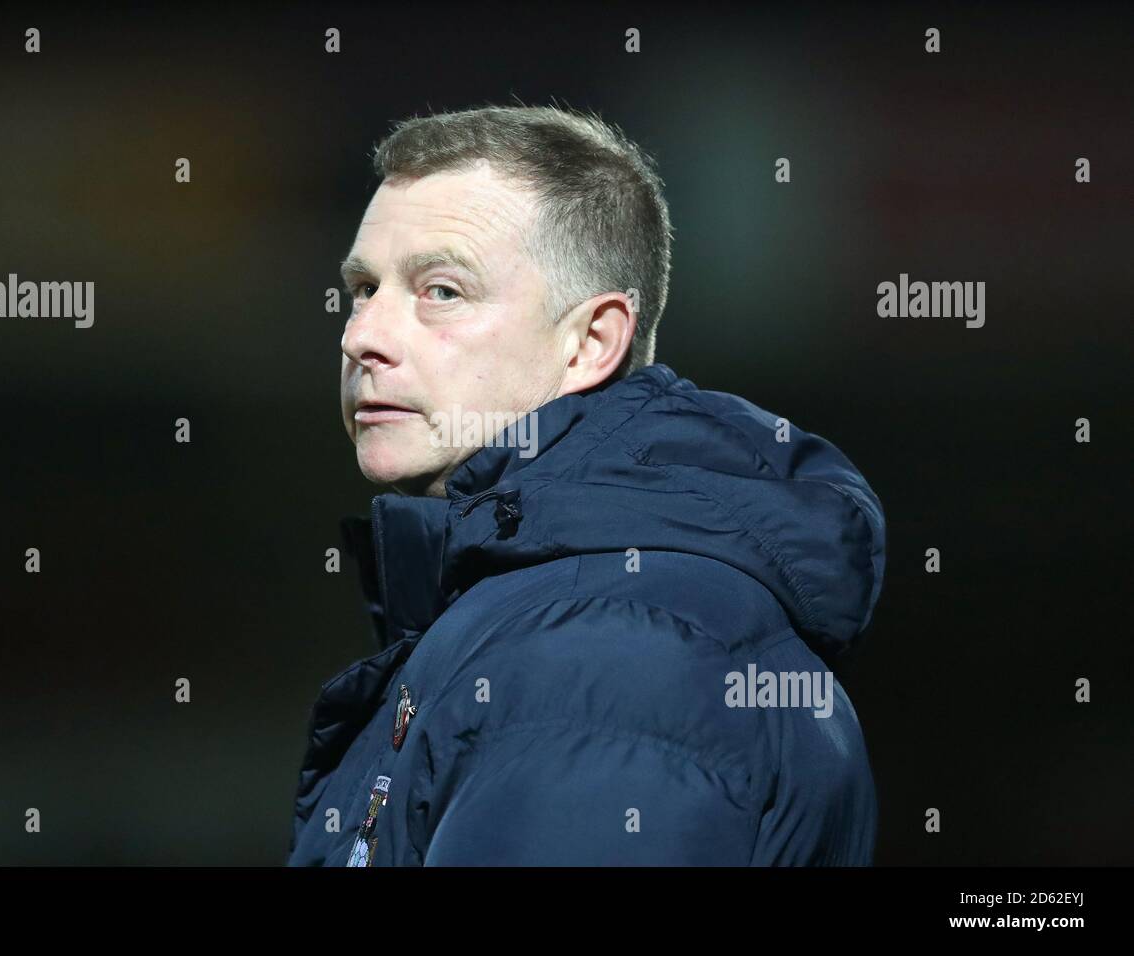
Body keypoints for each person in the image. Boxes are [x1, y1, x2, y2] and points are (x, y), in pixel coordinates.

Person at [287, 104, 886, 866]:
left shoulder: (607, 652)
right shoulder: (570, 609)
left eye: (441, 290)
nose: (361, 336)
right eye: (363, 288)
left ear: (592, 342)